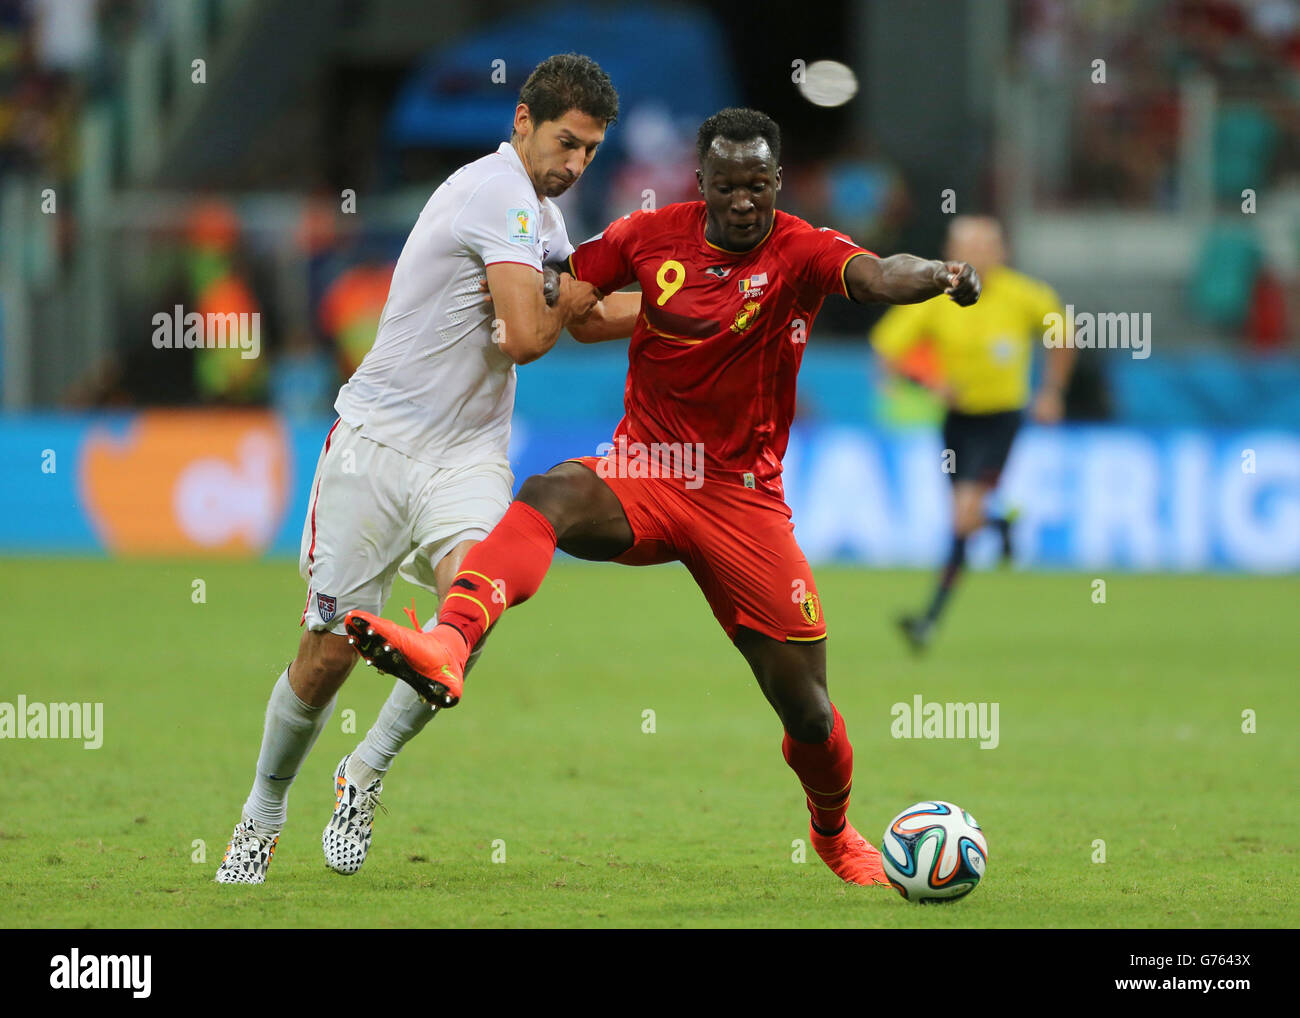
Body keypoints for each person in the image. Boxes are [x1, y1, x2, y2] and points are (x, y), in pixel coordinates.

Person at [345, 108, 981, 886]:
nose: (743, 202)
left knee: (809, 711)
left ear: (777, 182)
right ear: (701, 184)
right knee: (549, 490)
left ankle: (834, 832)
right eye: (726, 187)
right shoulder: (649, 238)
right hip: (647, 468)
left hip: (744, 500)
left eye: (757, 186)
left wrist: (941, 279)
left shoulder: (804, 249)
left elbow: (880, 275)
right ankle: (450, 640)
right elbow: (567, 295)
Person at [215, 54, 620, 884]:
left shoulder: (541, 220)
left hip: (466, 455)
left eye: (590, 152)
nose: (575, 165)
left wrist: (704, 302)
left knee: (471, 611)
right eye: (566, 143)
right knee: (326, 657)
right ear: (522, 121)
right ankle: (262, 809)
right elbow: (526, 337)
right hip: (378, 448)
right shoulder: (494, 192)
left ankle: (364, 770)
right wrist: (570, 303)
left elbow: (586, 316)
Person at [870, 215, 1074, 653]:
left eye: (983, 246)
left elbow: (1063, 335)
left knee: (962, 519)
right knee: (962, 521)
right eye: (965, 245)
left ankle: (928, 620)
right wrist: (930, 383)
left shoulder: (1025, 296)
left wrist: (1051, 391)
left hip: (1001, 419)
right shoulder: (934, 299)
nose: (974, 255)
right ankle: (1001, 525)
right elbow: (887, 354)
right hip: (957, 422)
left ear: (1002, 252)